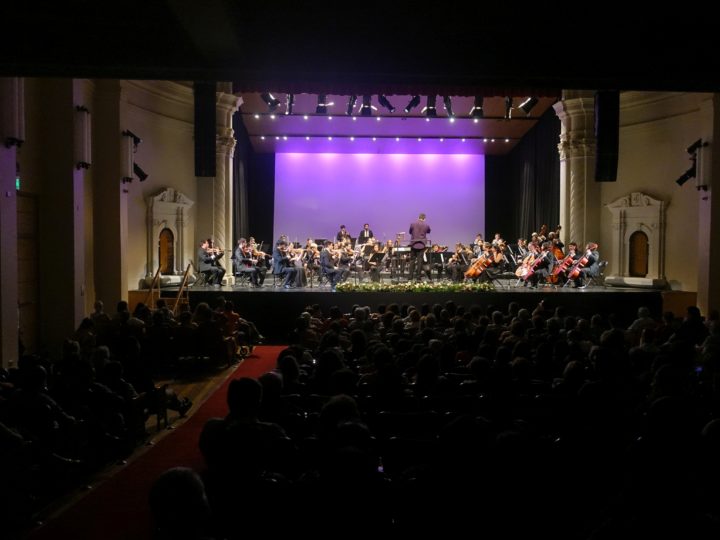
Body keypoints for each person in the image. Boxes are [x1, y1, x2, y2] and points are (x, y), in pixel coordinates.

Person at [408, 212, 431, 282]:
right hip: (421, 245)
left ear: (418, 217)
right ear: (424, 219)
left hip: (413, 244)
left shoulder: (413, 224)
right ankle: (418, 277)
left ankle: (410, 277)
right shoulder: (426, 225)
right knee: (420, 262)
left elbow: (410, 232)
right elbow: (429, 231)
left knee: (412, 261)